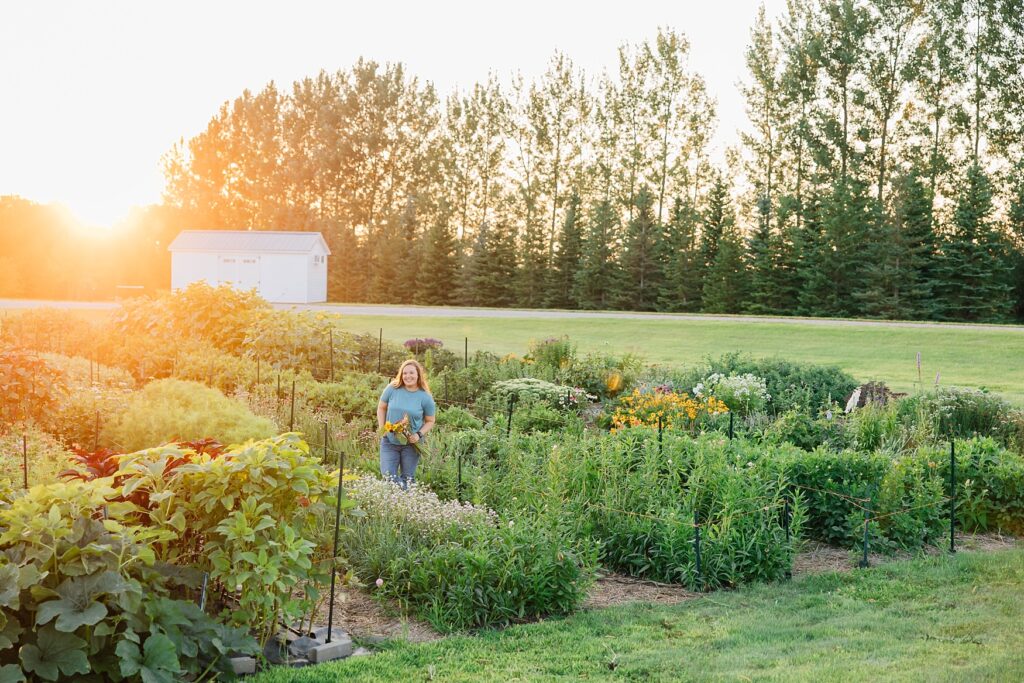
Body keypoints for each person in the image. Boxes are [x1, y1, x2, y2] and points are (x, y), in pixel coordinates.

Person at [377, 359, 436, 488]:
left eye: (411, 373)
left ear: (418, 375)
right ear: (401, 374)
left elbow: (430, 421)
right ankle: (405, 499)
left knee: (408, 478)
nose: (408, 376)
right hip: (389, 441)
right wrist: (383, 428)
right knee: (388, 476)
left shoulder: (425, 397)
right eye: (404, 373)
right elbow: (381, 407)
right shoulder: (393, 388)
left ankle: (403, 503)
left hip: (411, 444)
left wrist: (418, 435)